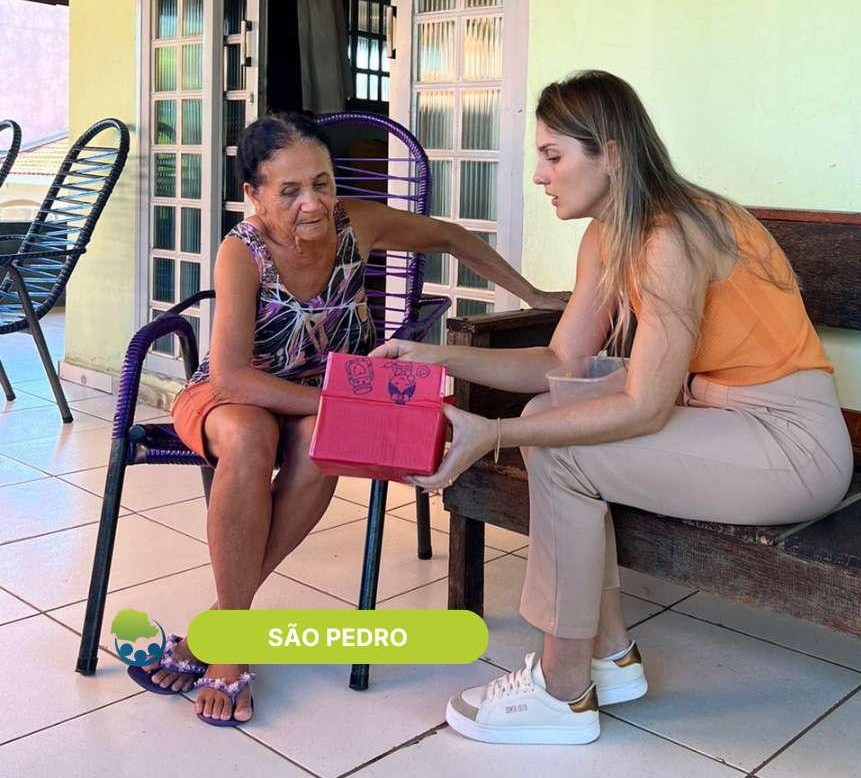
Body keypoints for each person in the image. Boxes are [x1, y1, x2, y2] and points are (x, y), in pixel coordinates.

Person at [373, 71, 854, 745]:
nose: (539, 175)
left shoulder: (671, 235)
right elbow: (560, 361)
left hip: (789, 443)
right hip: (720, 421)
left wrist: (494, 433)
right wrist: (435, 358)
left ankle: (562, 689)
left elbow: (645, 408)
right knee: (546, 416)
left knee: (556, 445)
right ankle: (611, 658)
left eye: (553, 156)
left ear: (613, 155)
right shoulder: (607, 236)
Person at [128, 112, 566, 726]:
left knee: (321, 441)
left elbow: (449, 237)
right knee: (252, 436)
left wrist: (534, 296)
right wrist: (342, 400)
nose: (312, 203)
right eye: (289, 191)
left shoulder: (354, 224)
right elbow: (229, 379)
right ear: (254, 195)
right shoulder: (242, 251)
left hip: (323, 400)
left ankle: (221, 629)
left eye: (322, 183)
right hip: (236, 398)